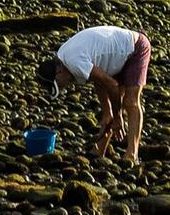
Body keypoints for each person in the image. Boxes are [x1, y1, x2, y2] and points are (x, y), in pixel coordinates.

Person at [36, 23, 150, 160]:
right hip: (114, 56)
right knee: (109, 115)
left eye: (58, 85)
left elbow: (112, 85)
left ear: (59, 72)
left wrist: (118, 116)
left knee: (130, 102)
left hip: (135, 47)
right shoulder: (62, 57)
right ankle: (99, 150)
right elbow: (98, 80)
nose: (63, 87)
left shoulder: (74, 63)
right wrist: (108, 113)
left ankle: (132, 154)